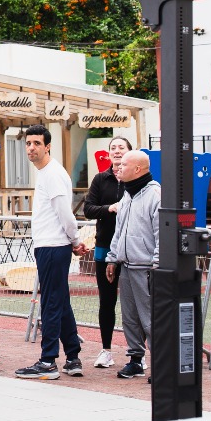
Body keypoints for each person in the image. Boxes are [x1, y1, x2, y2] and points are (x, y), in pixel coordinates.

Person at [14, 124, 88, 380]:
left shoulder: (53, 174)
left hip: (53, 246)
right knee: (60, 300)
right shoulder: (46, 173)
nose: (31, 148)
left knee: (51, 302)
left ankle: (48, 361)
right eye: (28, 143)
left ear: (48, 146)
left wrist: (75, 239)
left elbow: (65, 213)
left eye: (36, 143)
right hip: (50, 245)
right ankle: (73, 356)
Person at [108, 150, 160, 380]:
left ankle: (161, 362)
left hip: (146, 266)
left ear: (138, 169)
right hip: (127, 266)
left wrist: (156, 264)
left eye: (124, 164)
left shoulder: (155, 195)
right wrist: (112, 257)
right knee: (129, 316)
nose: (118, 167)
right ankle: (135, 359)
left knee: (150, 317)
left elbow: (162, 234)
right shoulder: (127, 195)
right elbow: (119, 230)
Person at [81, 137, 129, 369]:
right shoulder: (101, 179)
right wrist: (109, 209)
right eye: (113, 148)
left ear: (130, 152)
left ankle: (136, 353)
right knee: (106, 300)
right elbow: (88, 209)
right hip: (104, 246)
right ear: (108, 154)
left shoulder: (137, 179)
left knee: (135, 303)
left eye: (122, 148)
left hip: (132, 251)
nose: (117, 151)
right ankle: (106, 350)